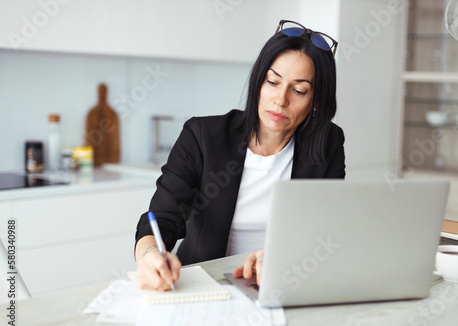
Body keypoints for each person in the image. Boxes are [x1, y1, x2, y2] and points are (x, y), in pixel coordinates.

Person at [134, 19, 345, 291]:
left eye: (299, 90)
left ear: (316, 102)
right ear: (259, 82)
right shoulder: (202, 136)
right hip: (204, 286)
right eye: (272, 82)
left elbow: (327, 231)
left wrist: (286, 260)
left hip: (282, 284)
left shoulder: (329, 143)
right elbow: (160, 219)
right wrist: (151, 256)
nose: (280, 100)